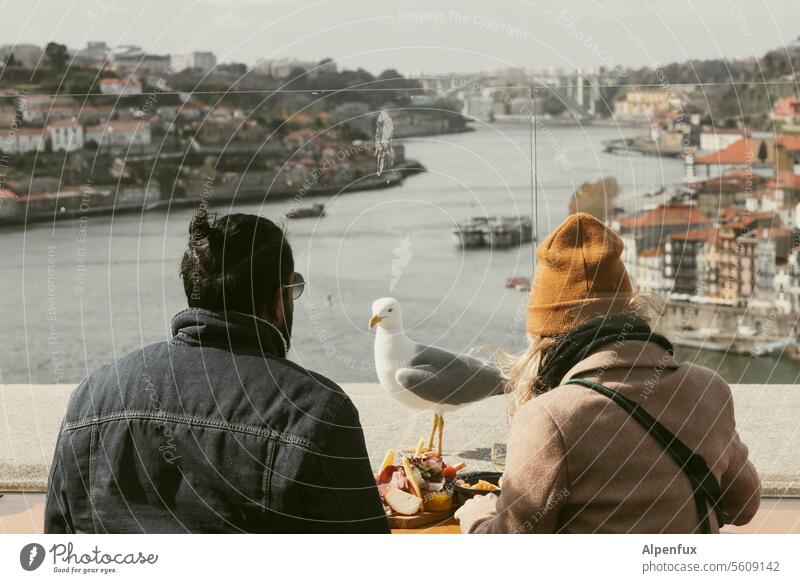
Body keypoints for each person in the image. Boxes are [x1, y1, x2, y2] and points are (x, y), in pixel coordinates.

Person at [45, 209, 388, 533]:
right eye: (291, 290)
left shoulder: (91, 398)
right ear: (276, 303)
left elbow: (58, 544)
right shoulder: (316, 412)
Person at [456, 212, 761, 534]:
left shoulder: (549, 417)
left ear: (545, 340)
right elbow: (743, 505)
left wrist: (476, 516)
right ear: (632, 314)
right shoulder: (707, 388)